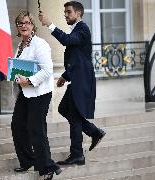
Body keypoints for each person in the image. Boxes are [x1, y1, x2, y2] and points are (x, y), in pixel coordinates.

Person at [39, 1, 106, 166]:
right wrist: (65, 75)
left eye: (69, 12)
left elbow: (67, 40)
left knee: (74, 116)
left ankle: (77, 154)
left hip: (83, 80)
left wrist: (50, 24)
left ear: (78, 14)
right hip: (76, 78)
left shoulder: (82, 29)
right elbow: (77, 58)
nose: (66, 15)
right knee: (63, 108)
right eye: (65, 12)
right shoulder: (77, 30)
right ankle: (94, 132)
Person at [11, 10, 61, 180]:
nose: (23, 26)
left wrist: (29, 81)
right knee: (17, 125)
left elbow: (47, 70)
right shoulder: (20, 46)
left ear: (32, 25)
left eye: (26, 22)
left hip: (39, 93)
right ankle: (27, 161)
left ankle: (47, 168)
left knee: (35, 128)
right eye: (20, 23)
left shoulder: (40, 44)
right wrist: (15, 75)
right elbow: (22, 67)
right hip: (25, 92)